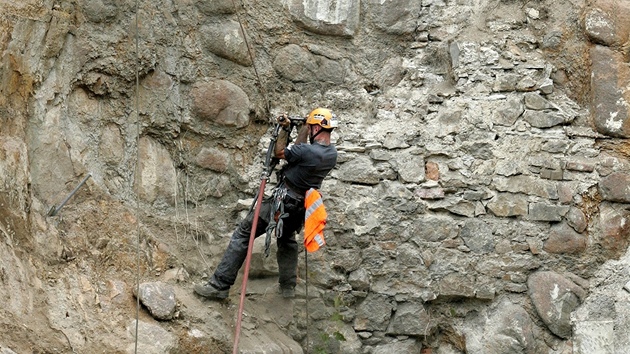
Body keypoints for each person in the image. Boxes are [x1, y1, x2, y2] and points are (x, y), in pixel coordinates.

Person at [194, 108, 339, 299]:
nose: (310, 130)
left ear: (318, 128)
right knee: (287, 240)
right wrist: (305, 127)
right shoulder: (331, 153)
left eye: (312, 127)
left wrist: (286, 130)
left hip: (282, 203)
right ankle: (288, 289)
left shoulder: (308, 151)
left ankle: (219, 285)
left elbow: (281, 152)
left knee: (244, 234)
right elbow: (298, 152)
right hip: (299, 207)